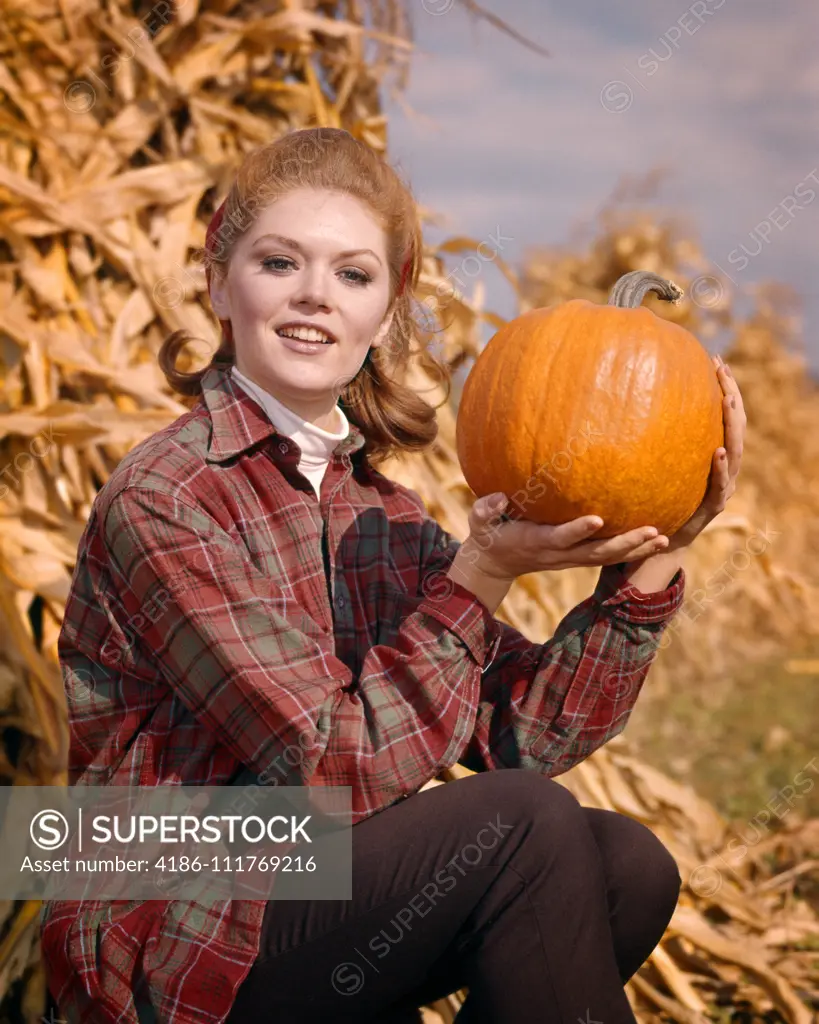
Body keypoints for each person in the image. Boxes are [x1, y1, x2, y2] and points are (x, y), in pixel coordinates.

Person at [40, 127, 746, 1024]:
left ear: (386, 310)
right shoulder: (168, 497)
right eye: (279, 263)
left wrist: (661, 555)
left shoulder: (379, 513)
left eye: (352, 274)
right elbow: (329, 769)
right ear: (221, 284)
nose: (312, 298)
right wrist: (481, 576)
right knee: (521, 827)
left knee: (627, 864)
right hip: (164, 899)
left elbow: (518, 739)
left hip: (301, 873)